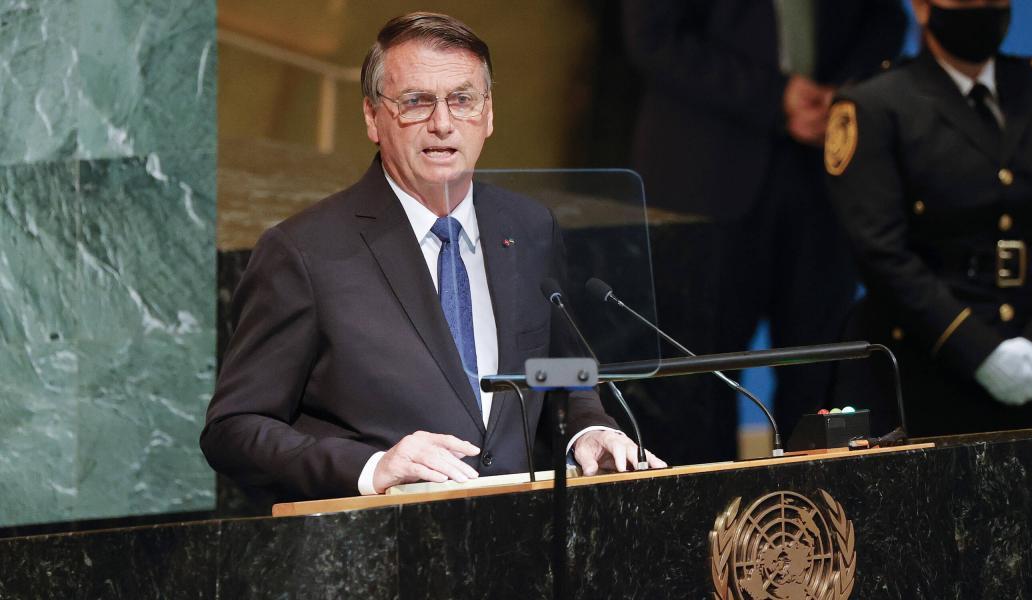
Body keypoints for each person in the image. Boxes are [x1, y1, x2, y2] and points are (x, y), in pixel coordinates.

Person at [201, 12, 663, 502]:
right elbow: (234, 429)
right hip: (380, 549)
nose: (442, 123)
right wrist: (371, 468)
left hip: (521, 546)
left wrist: (586, 430)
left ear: (487, 115)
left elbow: (563, 372)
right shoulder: (303, 251)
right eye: (416, 102)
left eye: (461, 100)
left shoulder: (529, 228)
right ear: (372, 118)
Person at [622, 0, 908, 462]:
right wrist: (775, 96)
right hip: (702, 180)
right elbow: (654, 37)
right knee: (696, 380)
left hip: (824, 175)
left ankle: (820, 522)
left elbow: (885, 17)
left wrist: (844, 93)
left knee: (823, 375)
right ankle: (704, 527)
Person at [825, 0, 1032, 437]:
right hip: (927, 366)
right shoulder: (874, 104)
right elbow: (880, 250)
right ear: (922, 8)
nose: (982, 6)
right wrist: (979, 352)